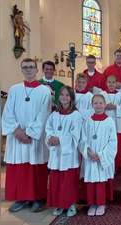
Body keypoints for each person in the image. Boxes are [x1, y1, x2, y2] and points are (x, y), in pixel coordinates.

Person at [2, 58, 52, 212]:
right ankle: (22, 198)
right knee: (20, 167)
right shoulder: (14, 89)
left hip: (34, 138)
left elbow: (44, 114)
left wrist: (29, 133)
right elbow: (7, 112)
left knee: (36, 167)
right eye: (25, 67)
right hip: (17, 137)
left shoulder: (45, 90)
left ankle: (38, 198)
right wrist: (18, 132)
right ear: (21, 70)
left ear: (37, 70)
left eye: (31, 67)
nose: (28, 70)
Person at [45, 86, 83, 217]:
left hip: (69, 153)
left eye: (67, 95)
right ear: (58, 97)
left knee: (68, 180)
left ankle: (70, 203)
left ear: (72, 98)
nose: (64, 97)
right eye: (62, 94)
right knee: (56, 179)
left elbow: (75, 134)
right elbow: (48, 129)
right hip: (56, 153)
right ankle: (59, 204)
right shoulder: (54, 115)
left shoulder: (76, 115)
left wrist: (59, 139)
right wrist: (50, 138)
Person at [79, 94, 117, 216]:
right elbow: (82, 140)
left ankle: (101, 203)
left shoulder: (109, 121)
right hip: (90, 157)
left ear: (105, 104)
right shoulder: (88, 121)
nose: (98, 105)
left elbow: (113, 141)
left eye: (101, 103)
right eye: (96, 103)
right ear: (92, 105)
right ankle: (92, 203)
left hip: (102, 157)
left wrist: (101, 155)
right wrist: (88, 152)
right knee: (91, 180)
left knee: (100, 180)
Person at [101, 75, 121, 168]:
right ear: (106, 83)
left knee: (116, 143)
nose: (111, 84)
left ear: (116, 83)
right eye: (109, 82)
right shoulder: (103, 94)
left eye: (113, 82)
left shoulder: (120, 95)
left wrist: (116, 107)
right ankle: (105, 163)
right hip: (104, 122)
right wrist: (104, 107)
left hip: (117, 122)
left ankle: (116, 165)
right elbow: (96, 105)